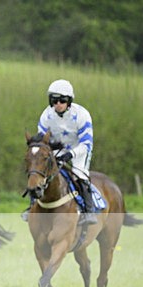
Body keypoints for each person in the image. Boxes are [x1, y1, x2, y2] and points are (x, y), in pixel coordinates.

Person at [37, 79, 96, 225]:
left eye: (62, 100)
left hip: (80, 150)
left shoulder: (82, 115)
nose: (58, 104)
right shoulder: (46, 115)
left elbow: (86, 143)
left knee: (79, 174)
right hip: (57, 150)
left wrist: (70, 154)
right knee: (40, 172)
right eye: (54, 100)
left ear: (69, 101)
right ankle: (33, 205)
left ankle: (89, 212)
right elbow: (42, 142)